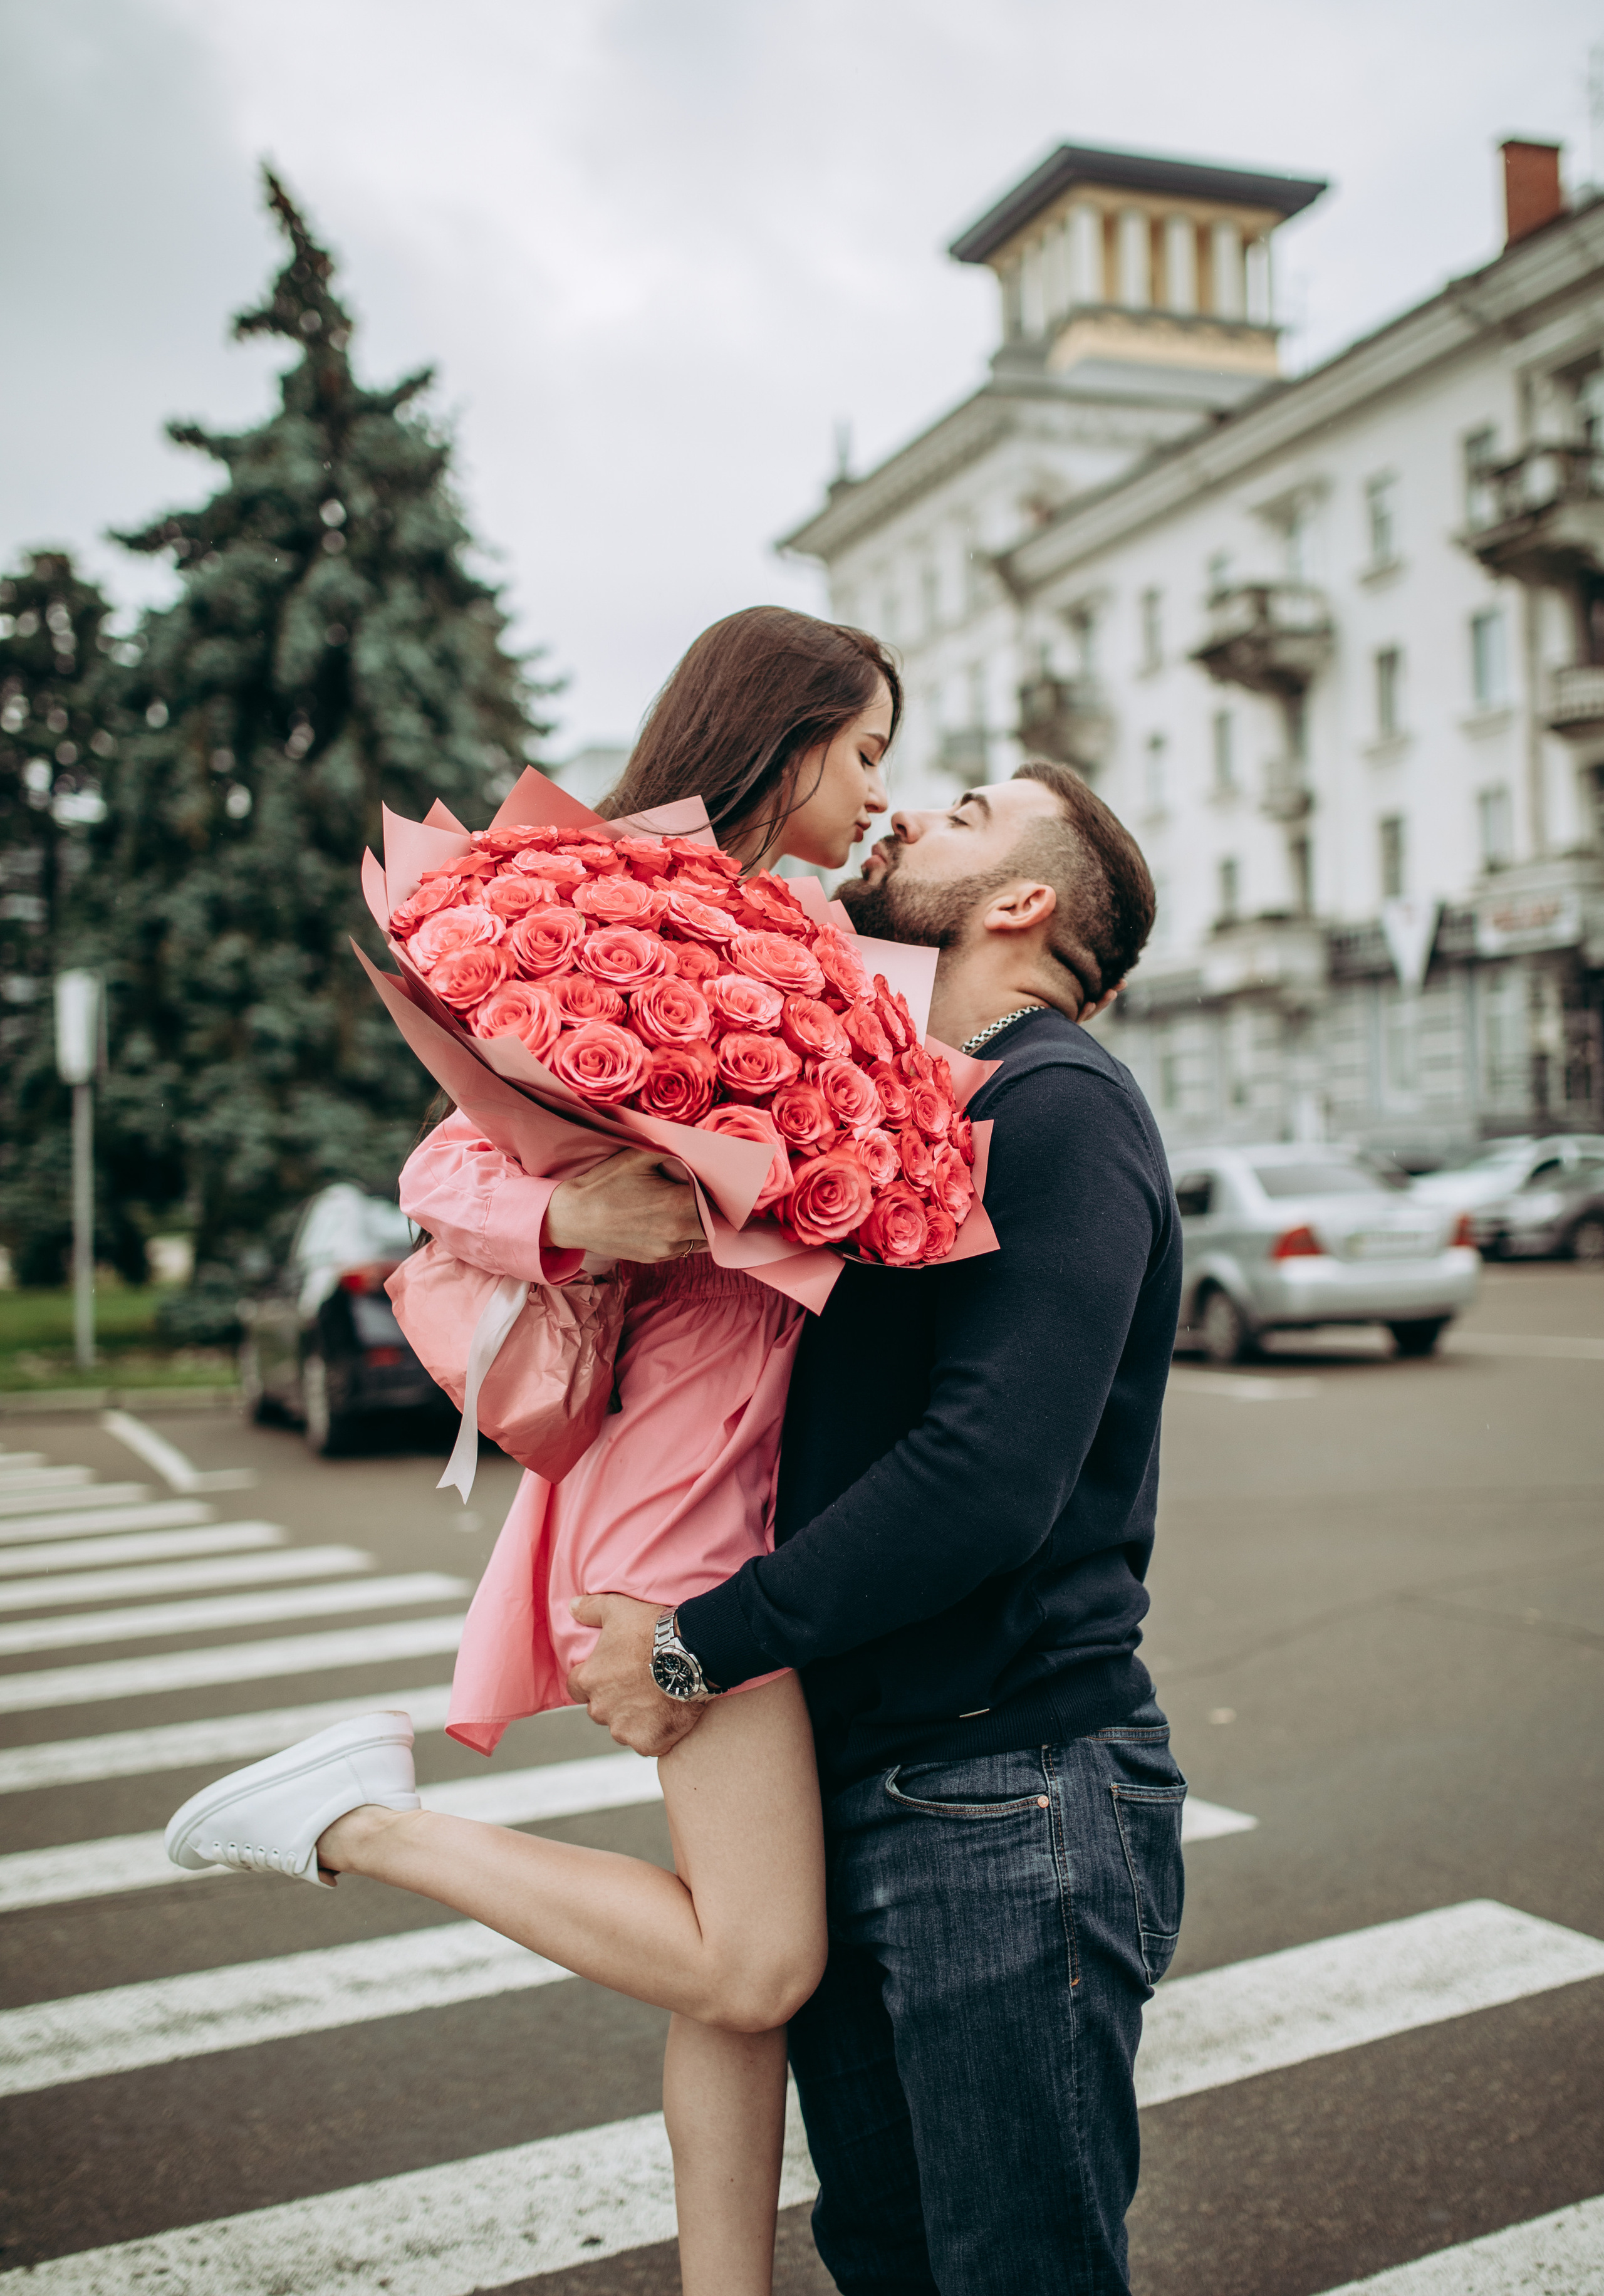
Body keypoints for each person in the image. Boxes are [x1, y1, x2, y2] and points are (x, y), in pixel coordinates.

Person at [166, 605, 895, 2296]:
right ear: (783, 742)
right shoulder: (629, 916)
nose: (876, 794)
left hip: (731, 1480)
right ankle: (367, 1823)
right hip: (681, 1511)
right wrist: (581, 1209)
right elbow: (443, 1176)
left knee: (722, 1960)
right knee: (764, 1960)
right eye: (864, 752)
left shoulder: (784, 935)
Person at [567, 762, 1186, 2295]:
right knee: (892, 2258)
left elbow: (986, 1473)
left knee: (1008, 2270)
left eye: (967, 809)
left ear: (1019, 900)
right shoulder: (917, 1097)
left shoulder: (1057, 1109)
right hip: (883, 1785)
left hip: (1004, 1791)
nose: (907, 809)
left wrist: (697, 1647)